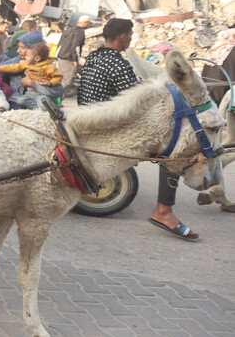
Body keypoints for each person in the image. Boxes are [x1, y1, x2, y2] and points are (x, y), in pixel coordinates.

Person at [77, 19, 199, 240]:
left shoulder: (94, 57)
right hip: (107, 123)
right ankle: (164, 211)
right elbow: (139, 100)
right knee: (172, 149)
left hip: (92, 116)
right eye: (131, 35)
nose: (131, 38)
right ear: (123, 36)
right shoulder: (118, 63)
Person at [0, 42, 62, 109]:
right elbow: (13, 67)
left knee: (43, 104)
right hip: (30, 93)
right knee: (20, 101)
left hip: (42, 94)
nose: (25, 57)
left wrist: (50, 83)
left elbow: (58, 77)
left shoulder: (49, 67)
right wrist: (0, 68)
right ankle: (37, 110)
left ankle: (53, 112)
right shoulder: (25, 64)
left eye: (28, 56)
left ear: (37, 58)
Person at [55, 15, 89, 98]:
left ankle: (58, 101)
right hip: (69, 59)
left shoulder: (69, 29)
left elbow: (60, 43)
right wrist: (76, 59)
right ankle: (54, 98)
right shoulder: (79, 31)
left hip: (61, 58)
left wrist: (57, 54)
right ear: (85, 23)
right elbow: (76, 46)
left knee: (63, 80)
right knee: (68, 81)